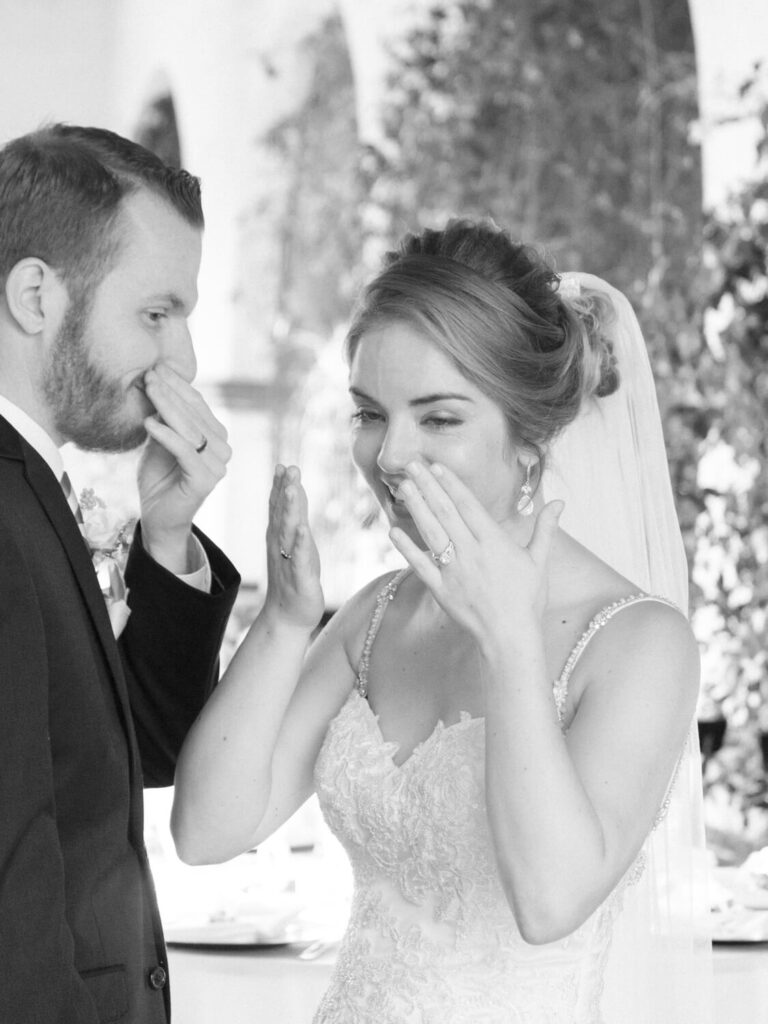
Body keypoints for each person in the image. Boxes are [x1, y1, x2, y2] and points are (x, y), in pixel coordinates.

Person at [171, 219, 711, 1022]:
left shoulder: (639, 643)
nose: (389, 457)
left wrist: (511, 642)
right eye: (369, 414)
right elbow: (207, 832)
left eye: (439, 418)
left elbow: (550, 901)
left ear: (531, 437)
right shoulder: (378, 612)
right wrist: (286, 623)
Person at [0, 124, 239, 1024]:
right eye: (156, 313)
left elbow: (140, 749)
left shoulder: (32, 487)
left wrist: (167, 534)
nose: (182, 360)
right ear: (35, 295)